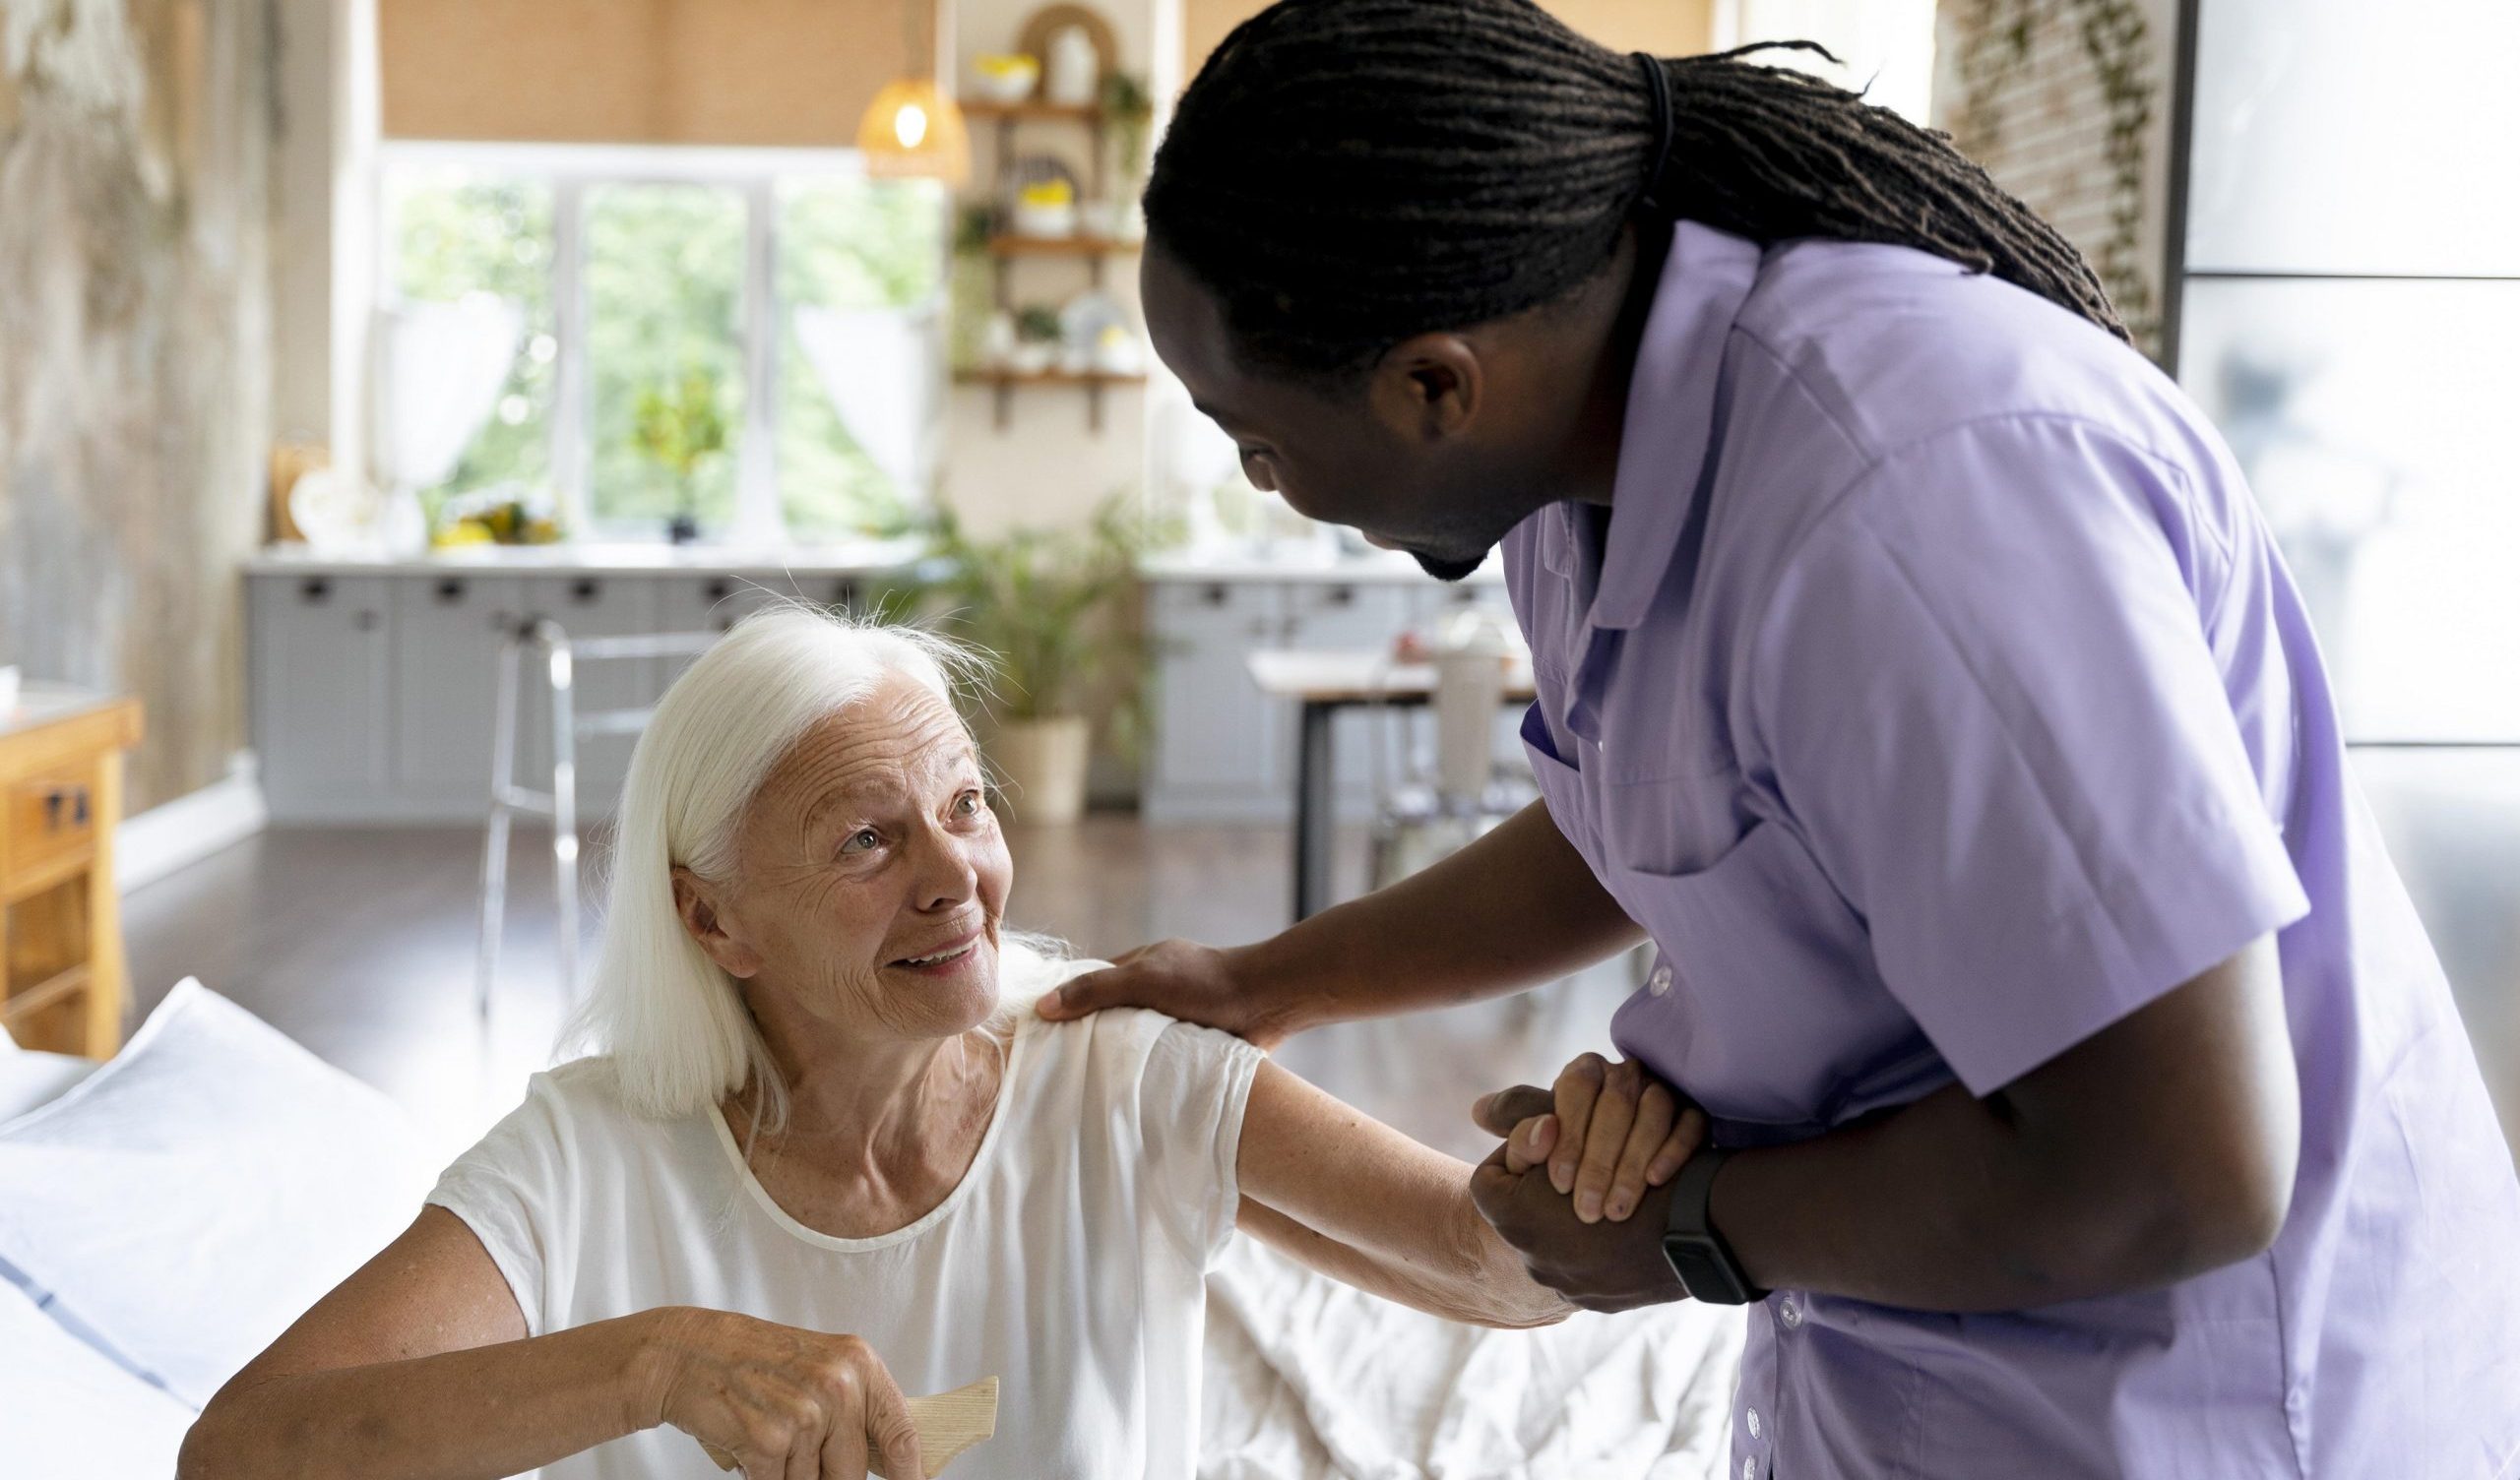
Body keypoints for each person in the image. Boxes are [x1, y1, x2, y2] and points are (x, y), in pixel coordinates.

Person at [1038, 1, 2520, 1473]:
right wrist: (1266, 982)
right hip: (1907, 1364)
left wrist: (1688, 1232)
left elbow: (2177, 1172)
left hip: (2196, 1408)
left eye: (1257, 437)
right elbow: (1643, 814)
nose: (1257, 480)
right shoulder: (1568, 477)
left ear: (1433, 384)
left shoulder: (1918, 499)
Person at [178, 609, 1604, 1480]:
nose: (954, 878)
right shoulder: (586, 1155)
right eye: (867, 837)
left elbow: (1500, 1274)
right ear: (713, 920)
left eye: (965, 807)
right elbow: (238, 1456)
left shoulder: (1117, 1065)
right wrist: (656, 1367)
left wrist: (1588, 1160)